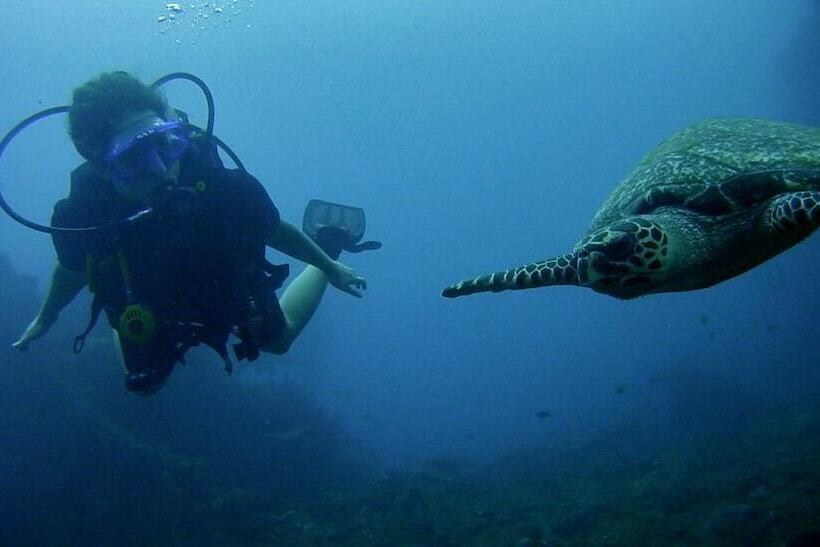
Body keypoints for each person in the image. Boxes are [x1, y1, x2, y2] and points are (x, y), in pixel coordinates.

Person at [11, 71, 380, 394]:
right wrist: (47, 316)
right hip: (145, 291)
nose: (158, 169)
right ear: (101, 167)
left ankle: (331, 245)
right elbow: (73, 268)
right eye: (131, 157)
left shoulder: (225, 186)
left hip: (224, 277)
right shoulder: (83, 215)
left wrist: (331, 267)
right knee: (144, 385)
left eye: (164, 143)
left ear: (176, 135)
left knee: (279, 341)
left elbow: (272, 230)